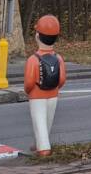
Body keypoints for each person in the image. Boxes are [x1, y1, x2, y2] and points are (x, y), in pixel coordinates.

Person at [24, 15, 66, 157]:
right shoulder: (59, 58)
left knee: (39, 121)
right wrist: (55, 89)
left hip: (37, 96)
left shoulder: (33, 59)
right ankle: (39, 143)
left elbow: (29, 83)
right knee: (47, 122)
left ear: (37, 36)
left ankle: (43, 149)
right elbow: (62, 80)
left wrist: (28, 91)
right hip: (53, 95)